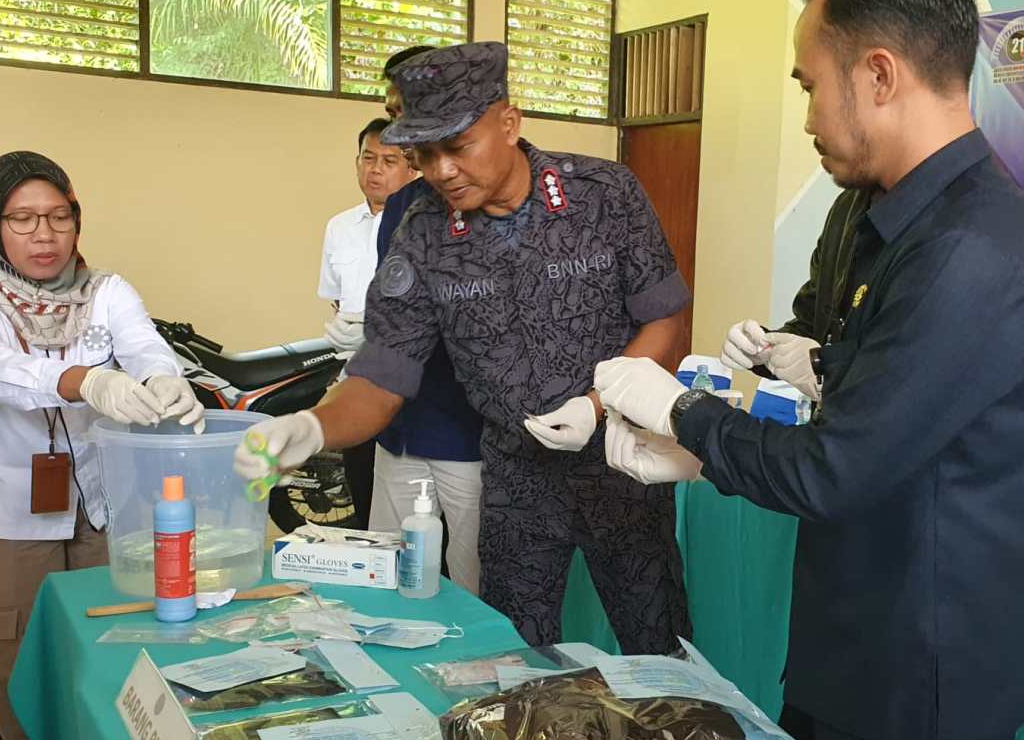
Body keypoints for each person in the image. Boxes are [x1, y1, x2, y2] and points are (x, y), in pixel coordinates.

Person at [595, 0, 1024, 740]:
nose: (804, 118)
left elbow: (837, 468)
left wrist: (683, 419)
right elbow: (849, 368)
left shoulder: (970, 250)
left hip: (918, 676)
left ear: (877, 75)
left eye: (807, 86)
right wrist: (763, 375)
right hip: (852, 638)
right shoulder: (882, 217)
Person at [237, 42, 694, 653]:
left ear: (509, 122)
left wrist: (598, 403)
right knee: (515, 657)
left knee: (658, 643)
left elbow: (664, 317)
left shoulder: (602, 194)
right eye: (424, 154)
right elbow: (382, 376)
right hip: (516, 481)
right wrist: (314, 429)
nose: (442, 170)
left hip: (624, 464)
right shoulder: (422, 234)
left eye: (458, 147)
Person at [0, 151, 204, 740]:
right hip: (7, 512)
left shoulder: (106, 291)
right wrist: (83, 380)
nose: (44, 235)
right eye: (23, 219)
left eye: (59, 216)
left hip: (103, 505)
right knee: (16, 657)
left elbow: (144, 345)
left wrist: (164, 379)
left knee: (115, 643)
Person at [370, 45, 485, 595]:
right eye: (393, 116)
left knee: (474, 585)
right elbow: (395, 320)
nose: (402, 134)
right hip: (401, 429)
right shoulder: (402, 206)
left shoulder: (494, 201)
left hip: (472, 436)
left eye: (409, 114)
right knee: (389, 578)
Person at [318, 118, 416, 526]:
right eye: (368, 158)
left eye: (389, 160)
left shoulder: (420, 223)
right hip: (356, 378)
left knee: (412, 506)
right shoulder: (339, 226)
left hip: (406, 382)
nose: (375, 168)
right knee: (363, 486)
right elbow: (337, 300)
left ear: (412, 167)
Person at [720, 187, 872, 400]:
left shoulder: (926, 230)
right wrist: (765, 348)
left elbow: (904, 368)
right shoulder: (845, 207)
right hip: (830, 422)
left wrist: (825, 366)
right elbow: (812, 322)